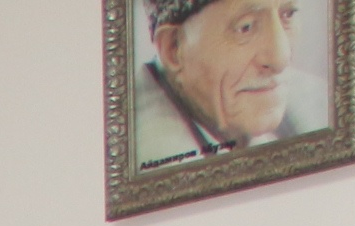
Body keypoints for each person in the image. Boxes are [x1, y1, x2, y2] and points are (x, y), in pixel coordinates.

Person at [134, 0, 326, 165]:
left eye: (288, 15)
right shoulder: (142, 154)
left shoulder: (320, 104)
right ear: (174, 48)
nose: (280, 58)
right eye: (246, 27)